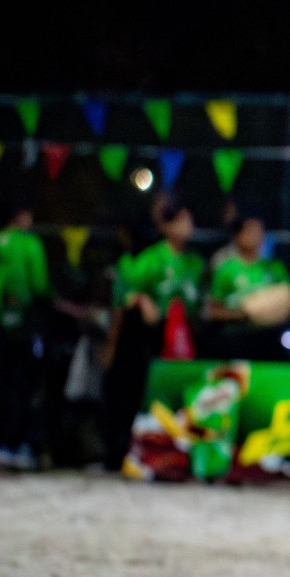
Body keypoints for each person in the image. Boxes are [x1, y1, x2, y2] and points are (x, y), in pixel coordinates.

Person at [102, 197, 203, 470]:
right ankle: (121, 454)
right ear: (165, 226)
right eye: (180, 220)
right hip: (147, 340)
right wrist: (141, 302)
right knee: (133, 394)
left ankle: (175, 458)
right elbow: (124, 297)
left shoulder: (195, 262)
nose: (188, 226)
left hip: (183, 344)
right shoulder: (152, 258)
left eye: (189, 219)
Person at [0, 203, 51, 469]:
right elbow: (39, 285)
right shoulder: (29, 244)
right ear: (22, 215)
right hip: (23, 325)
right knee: (22, 385)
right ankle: (12, 444)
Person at [203, 208, 290, 360]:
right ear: (238, 235)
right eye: (250, 230)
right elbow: (211, 312)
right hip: (235, 340)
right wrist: (244, 314)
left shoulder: (274, 268)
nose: (255, 235)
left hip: (269, 339)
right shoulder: (225, 269)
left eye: (259, 230)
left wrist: (269, 310)